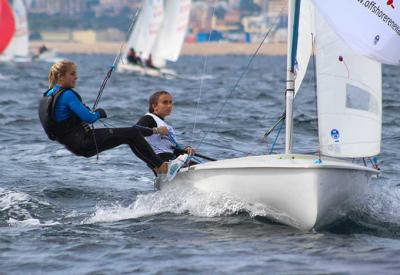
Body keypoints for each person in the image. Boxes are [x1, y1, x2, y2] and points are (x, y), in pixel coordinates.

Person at [38, 60, 184, 180]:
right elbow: (89, 118)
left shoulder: (49, 94)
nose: (76, 77)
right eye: (72, 74)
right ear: (61, 77)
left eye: (76, 73)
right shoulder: (67, 95)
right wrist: (99, 113)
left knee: (130, 134)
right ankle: (160, 166)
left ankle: (158, 166)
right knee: (132, 133)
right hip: (84, 141)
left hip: (74, 144)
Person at [136, 91, 194, 167]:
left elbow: (170, 149)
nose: (169, 105)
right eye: (165, 102)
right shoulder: (149, 118)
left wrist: (185, 151)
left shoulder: (167, 126)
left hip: (170, 158)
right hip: (159, 159)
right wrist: (157, 130)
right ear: (154, 106)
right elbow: (136, 131)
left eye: (170, 102)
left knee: (198, 165)